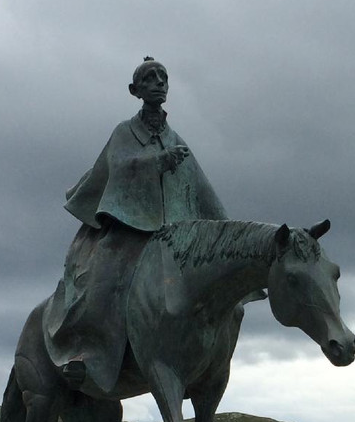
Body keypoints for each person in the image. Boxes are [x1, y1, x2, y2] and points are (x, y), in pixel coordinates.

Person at [44, 57, 227, 394]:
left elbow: (203, 192)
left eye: (163, 77)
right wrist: (156, 162)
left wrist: (225, 238)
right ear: (135, 90)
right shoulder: (125, 132)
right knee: (104, 275)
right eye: (149, 78)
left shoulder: (176, 139)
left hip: (172, 235)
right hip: (129, 227)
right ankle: (82, 350)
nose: (158, 82)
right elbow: (118, 167)